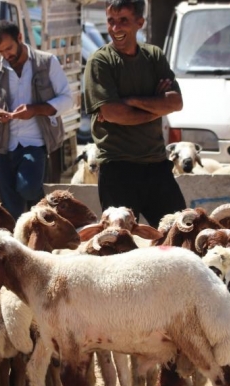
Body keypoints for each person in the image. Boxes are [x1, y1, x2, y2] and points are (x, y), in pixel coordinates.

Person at [83, 0, 185, 227]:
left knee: (180, 233)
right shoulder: (100, 61)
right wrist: (156, 106)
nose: (115, 28)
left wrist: (131, 101)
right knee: (121, 244)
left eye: (123, 21)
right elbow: (113, 113)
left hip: (157, 165)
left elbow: (176, 103)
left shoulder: (154, 56)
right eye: (111, 21)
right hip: (118, 168)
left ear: (140, 22)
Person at [0, 20, 73, 219]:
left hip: (35, 142)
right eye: (0, 51)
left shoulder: (46, 62)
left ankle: (41, 209)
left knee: (28, 188)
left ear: (20, 38)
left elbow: (67, 99)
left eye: (9, 48)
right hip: (3, 143)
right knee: (11, 208)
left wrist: (35, 109)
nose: (6, 55)